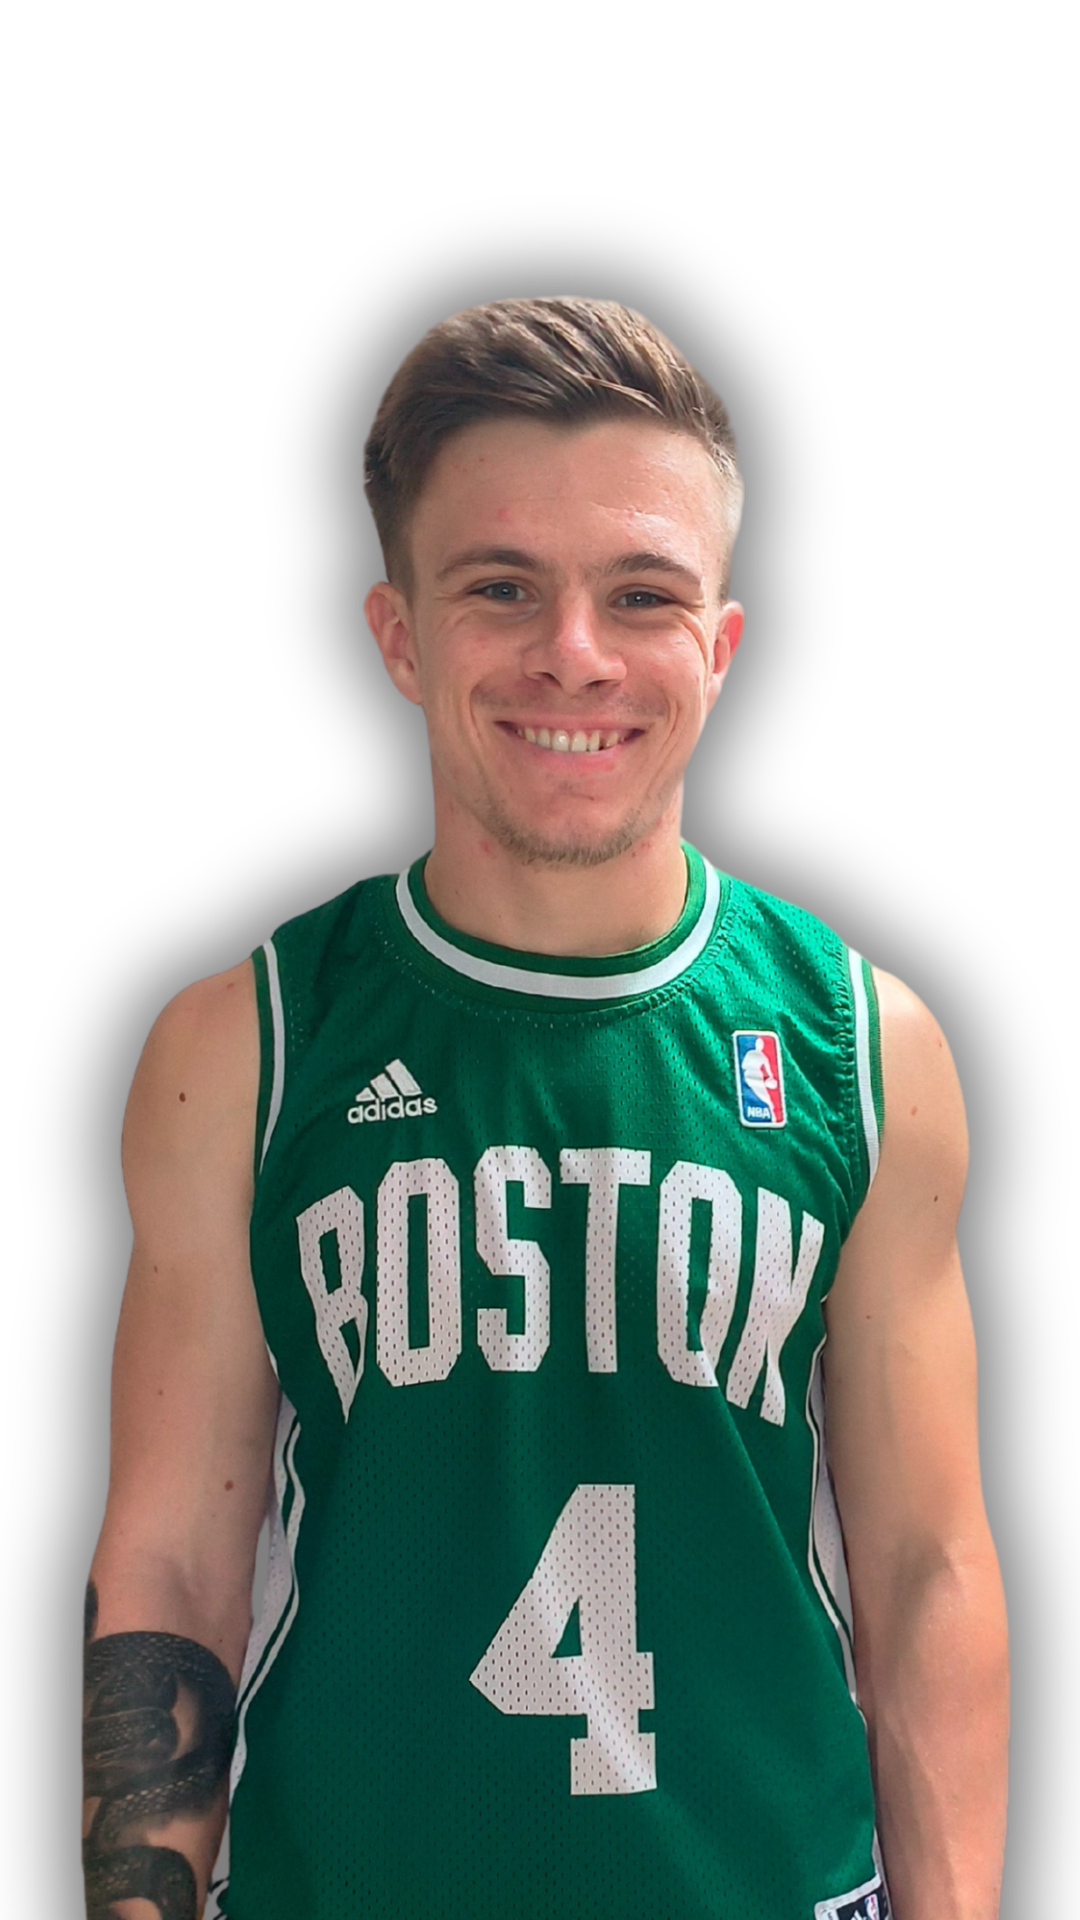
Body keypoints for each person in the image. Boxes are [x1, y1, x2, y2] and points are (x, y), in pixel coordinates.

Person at [82, 295, 1010, 1919]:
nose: (572, 651)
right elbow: (167, 1564)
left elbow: (927, 1567)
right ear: (398, 636)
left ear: (719, 648)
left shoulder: (867, 1043)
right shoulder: (246, 1042)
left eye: (641, 595)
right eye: (502, 586)